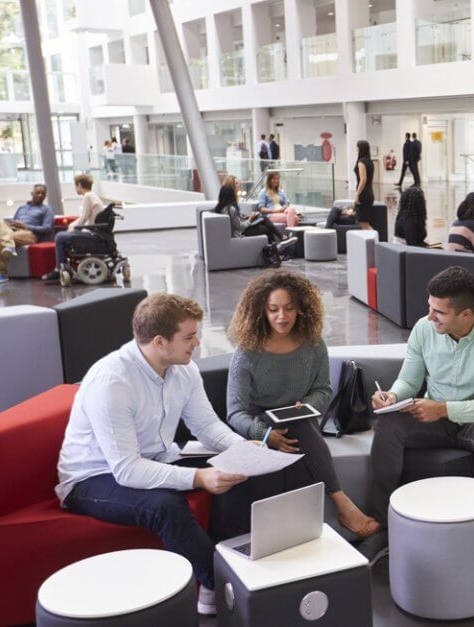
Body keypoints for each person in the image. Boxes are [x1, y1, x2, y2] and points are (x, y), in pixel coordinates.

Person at [56, 294, 252, 616]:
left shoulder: (183, 370)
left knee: (238, 471)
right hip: (93, 478)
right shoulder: (113, 381)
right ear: (160, 341)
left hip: (156, 458)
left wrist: (240, 448)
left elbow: (206, 425)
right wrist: (199, 477)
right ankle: (221, 581)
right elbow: (127, 471)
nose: (197, 342)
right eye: (189, 337)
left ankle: (217, 577)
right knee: (165, 504)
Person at [356, 266, 474, 564]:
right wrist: (393, 396)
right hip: (435, 418)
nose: (430, 317)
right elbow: (410, 380)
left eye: (439, 313)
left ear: (466, 315)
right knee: (389, 423)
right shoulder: (423, 329)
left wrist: (445, 409)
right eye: (430, 308)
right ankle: (380, 528)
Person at [225, 270, 380, 537]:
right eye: (273, 309)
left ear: (301, 310)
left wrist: (307, 405)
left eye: (289, 308)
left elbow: (322, 390)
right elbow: (235, 412)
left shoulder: (313, 344)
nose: (281, 317)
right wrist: (265, 435)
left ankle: (291, 534)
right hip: (261, 421)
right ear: (262, 310)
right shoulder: (247, 351)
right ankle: (341, 505)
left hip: (300, 418)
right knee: (299, 432)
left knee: (299, 427)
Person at [44, 174, 106, 280]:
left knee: (59, 237)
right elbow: (84, 218)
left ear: (80, 185)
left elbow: (83, 219)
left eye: (75, 186)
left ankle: (59, 268)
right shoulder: (93, 196)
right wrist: (72, 226)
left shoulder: (87, 196)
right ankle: (63, 266)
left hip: (93, 234)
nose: (76, 189)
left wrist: (72, 229)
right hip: (97, 231)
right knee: (64, 235)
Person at [0, 184, 55, 285]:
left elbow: (47, 228)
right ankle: (9, 245)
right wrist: (14, 224)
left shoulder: (47, 210)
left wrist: (26, 226)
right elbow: (13, 221)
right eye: (38, 193)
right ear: (32, 193)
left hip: (30, 234)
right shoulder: (22, 207)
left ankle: (1, 273)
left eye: (43, 194)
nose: (41, 195)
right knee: (2, 223)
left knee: (3, 239)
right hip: (15, 230)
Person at [354, 139, 376, 230]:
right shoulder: (370, 161)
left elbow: (363, 179)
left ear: (360, 149)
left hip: (364, 194)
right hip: (369, 193)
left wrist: (357, 194)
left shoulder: (361, 162)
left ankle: (376, 241)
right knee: (364, 223)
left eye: (357, 148)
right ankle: (374, 241)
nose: (356, 150)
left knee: (364, 224)